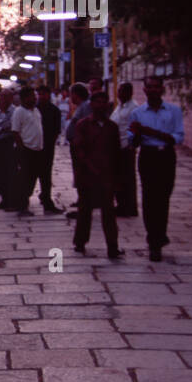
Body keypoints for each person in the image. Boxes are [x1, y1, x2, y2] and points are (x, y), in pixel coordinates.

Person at [127, 76, 184, 261]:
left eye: (156, 87)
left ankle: (160, 234)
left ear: (162, 89)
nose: (153, 90)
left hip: (166, 156)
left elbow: (178, 137)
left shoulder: (174, 111)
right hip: (148, 156)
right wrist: (137, 134)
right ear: (144, 90)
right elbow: (132, 141)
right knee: (150, 198)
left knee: (164, 197)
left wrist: (151, 132)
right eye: (149, 87)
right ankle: (154, 241)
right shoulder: (138, 113)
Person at [72, 90, 124, 259]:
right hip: (87, 175)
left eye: (104, 102)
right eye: (97, 102)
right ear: (92, 105)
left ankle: (112, 246)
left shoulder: (112, 127)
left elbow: (117, 153)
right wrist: (89, 166)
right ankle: (80, 242)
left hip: (107, 175)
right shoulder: (83, 125)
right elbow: (78, 150)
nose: (101, 105)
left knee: (108, 212)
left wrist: (117, 177)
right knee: (85, 211)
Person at [10, 86, 44, 215]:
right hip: (26, 150)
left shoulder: (36, 110)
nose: (35, 98)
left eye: (35, 96)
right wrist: (21, 148)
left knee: (32, 179)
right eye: (32, 96)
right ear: (25, 98)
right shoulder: (19, 112)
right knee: (25, 179)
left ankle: (25, 203)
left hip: (37, 150)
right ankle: (22, 206)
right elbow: (15, 131)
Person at [108, 81, 139, 217]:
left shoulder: (133, 108)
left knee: (127, 179)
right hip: (116, 147)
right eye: (118, 91)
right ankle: (121, 205)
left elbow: (135, 128)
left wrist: (131, 145)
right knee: (118, 179)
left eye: (122, 91)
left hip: (125, 147)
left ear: (129, 93)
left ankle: (129, 207)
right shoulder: (119, 107)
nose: (119, 93)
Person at [64, 83, 91, 217]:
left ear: (76, 94)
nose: (70, 98)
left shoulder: (85, 107)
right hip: (76, 146)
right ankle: (82, 202)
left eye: (71, 94)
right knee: (79, 176)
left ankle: (84, 206)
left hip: (81, 147)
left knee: (82, 176)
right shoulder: (81, 107)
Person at [35, 84, 63, 213]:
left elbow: (57, 130)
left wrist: (50, 142)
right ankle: (23, 201)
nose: (41, 97)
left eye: (43, 94)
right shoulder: (33, 109)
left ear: (48, 95)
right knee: (30, 174)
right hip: (33, 147)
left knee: (46, 175)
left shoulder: (54, 110)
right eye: (39, 94)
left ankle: (46, 199)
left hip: (47, 147)